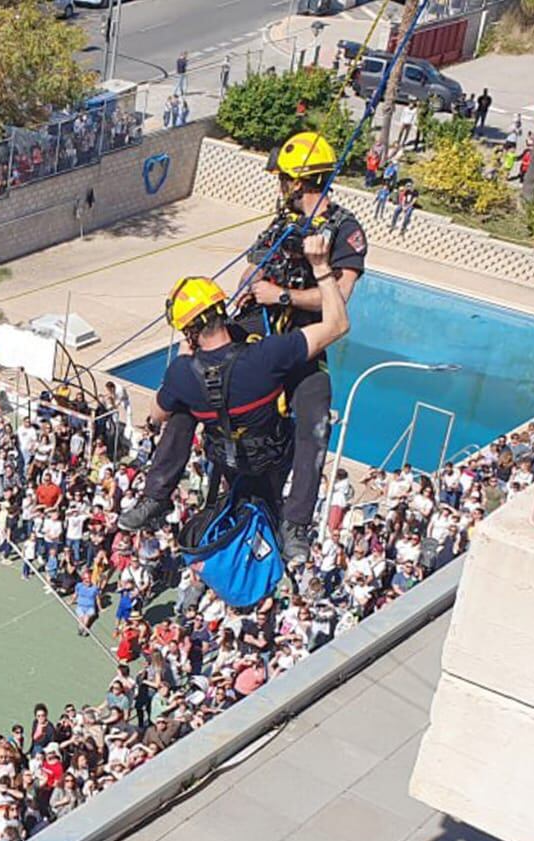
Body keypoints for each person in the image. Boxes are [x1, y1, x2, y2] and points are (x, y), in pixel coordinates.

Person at [121, 228, 351, 557]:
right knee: (314, 418)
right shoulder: (268, 356)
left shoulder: (182, 374)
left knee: (181, 409)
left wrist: (184, 359)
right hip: (271, 449)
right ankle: (295, 524)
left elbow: (157, 415)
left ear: (189, 332)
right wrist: (320, 267)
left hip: (225, 454)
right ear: (222, 311)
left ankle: (156, 496)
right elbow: (338, 325)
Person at [204, 131, 366, 563]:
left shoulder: (344, 230)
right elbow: (252, 268)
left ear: (297, 181)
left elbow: (337, 299)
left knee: (315, 421)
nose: (279, 187)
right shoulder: (282, 223)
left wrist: (282, 295)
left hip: (304, 339)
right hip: (260, 330)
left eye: (282, 180)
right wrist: (246, 287)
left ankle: (295, 523)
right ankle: (208, 489)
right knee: (204, 377)